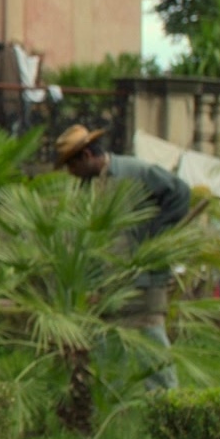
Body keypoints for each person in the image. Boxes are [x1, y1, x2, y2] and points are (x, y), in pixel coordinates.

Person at [55, 124, 190, 390]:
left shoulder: (134, 171)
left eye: (72, 165)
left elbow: (180, 193)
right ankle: (114, 407)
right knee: (108, 353)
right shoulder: (88, 189)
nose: (70, 173)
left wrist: (154, 237)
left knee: (151, 346)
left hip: (145, 281)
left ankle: (167, 404)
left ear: (86, 156)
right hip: (109, 286)